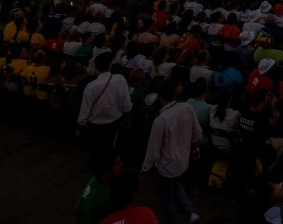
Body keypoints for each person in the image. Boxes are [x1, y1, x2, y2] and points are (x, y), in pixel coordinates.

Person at [140, 79, 203, 224]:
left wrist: (144, 170)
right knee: (174, 184)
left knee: (165, 197)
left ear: (159, 96)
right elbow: (197, 132)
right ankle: (189, 212)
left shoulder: (161, 120)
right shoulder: (187, 107)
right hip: (183, 160)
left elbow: (153, 151)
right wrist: (196, 147)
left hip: (166, 166)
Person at [77, 52, 133, 152]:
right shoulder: (120, 79)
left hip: (95, 126)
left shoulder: (90, 87)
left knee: (96, 150)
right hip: (115, 123)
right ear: (110, 66)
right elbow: (127, 107)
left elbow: (85, 110)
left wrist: (81, 125)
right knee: (111, 148)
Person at [76, 150, 123, 224]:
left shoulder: (93, 180)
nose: (121, 164)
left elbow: (77, 207)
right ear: (105, 174)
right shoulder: (105, 196)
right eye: (116, 164)